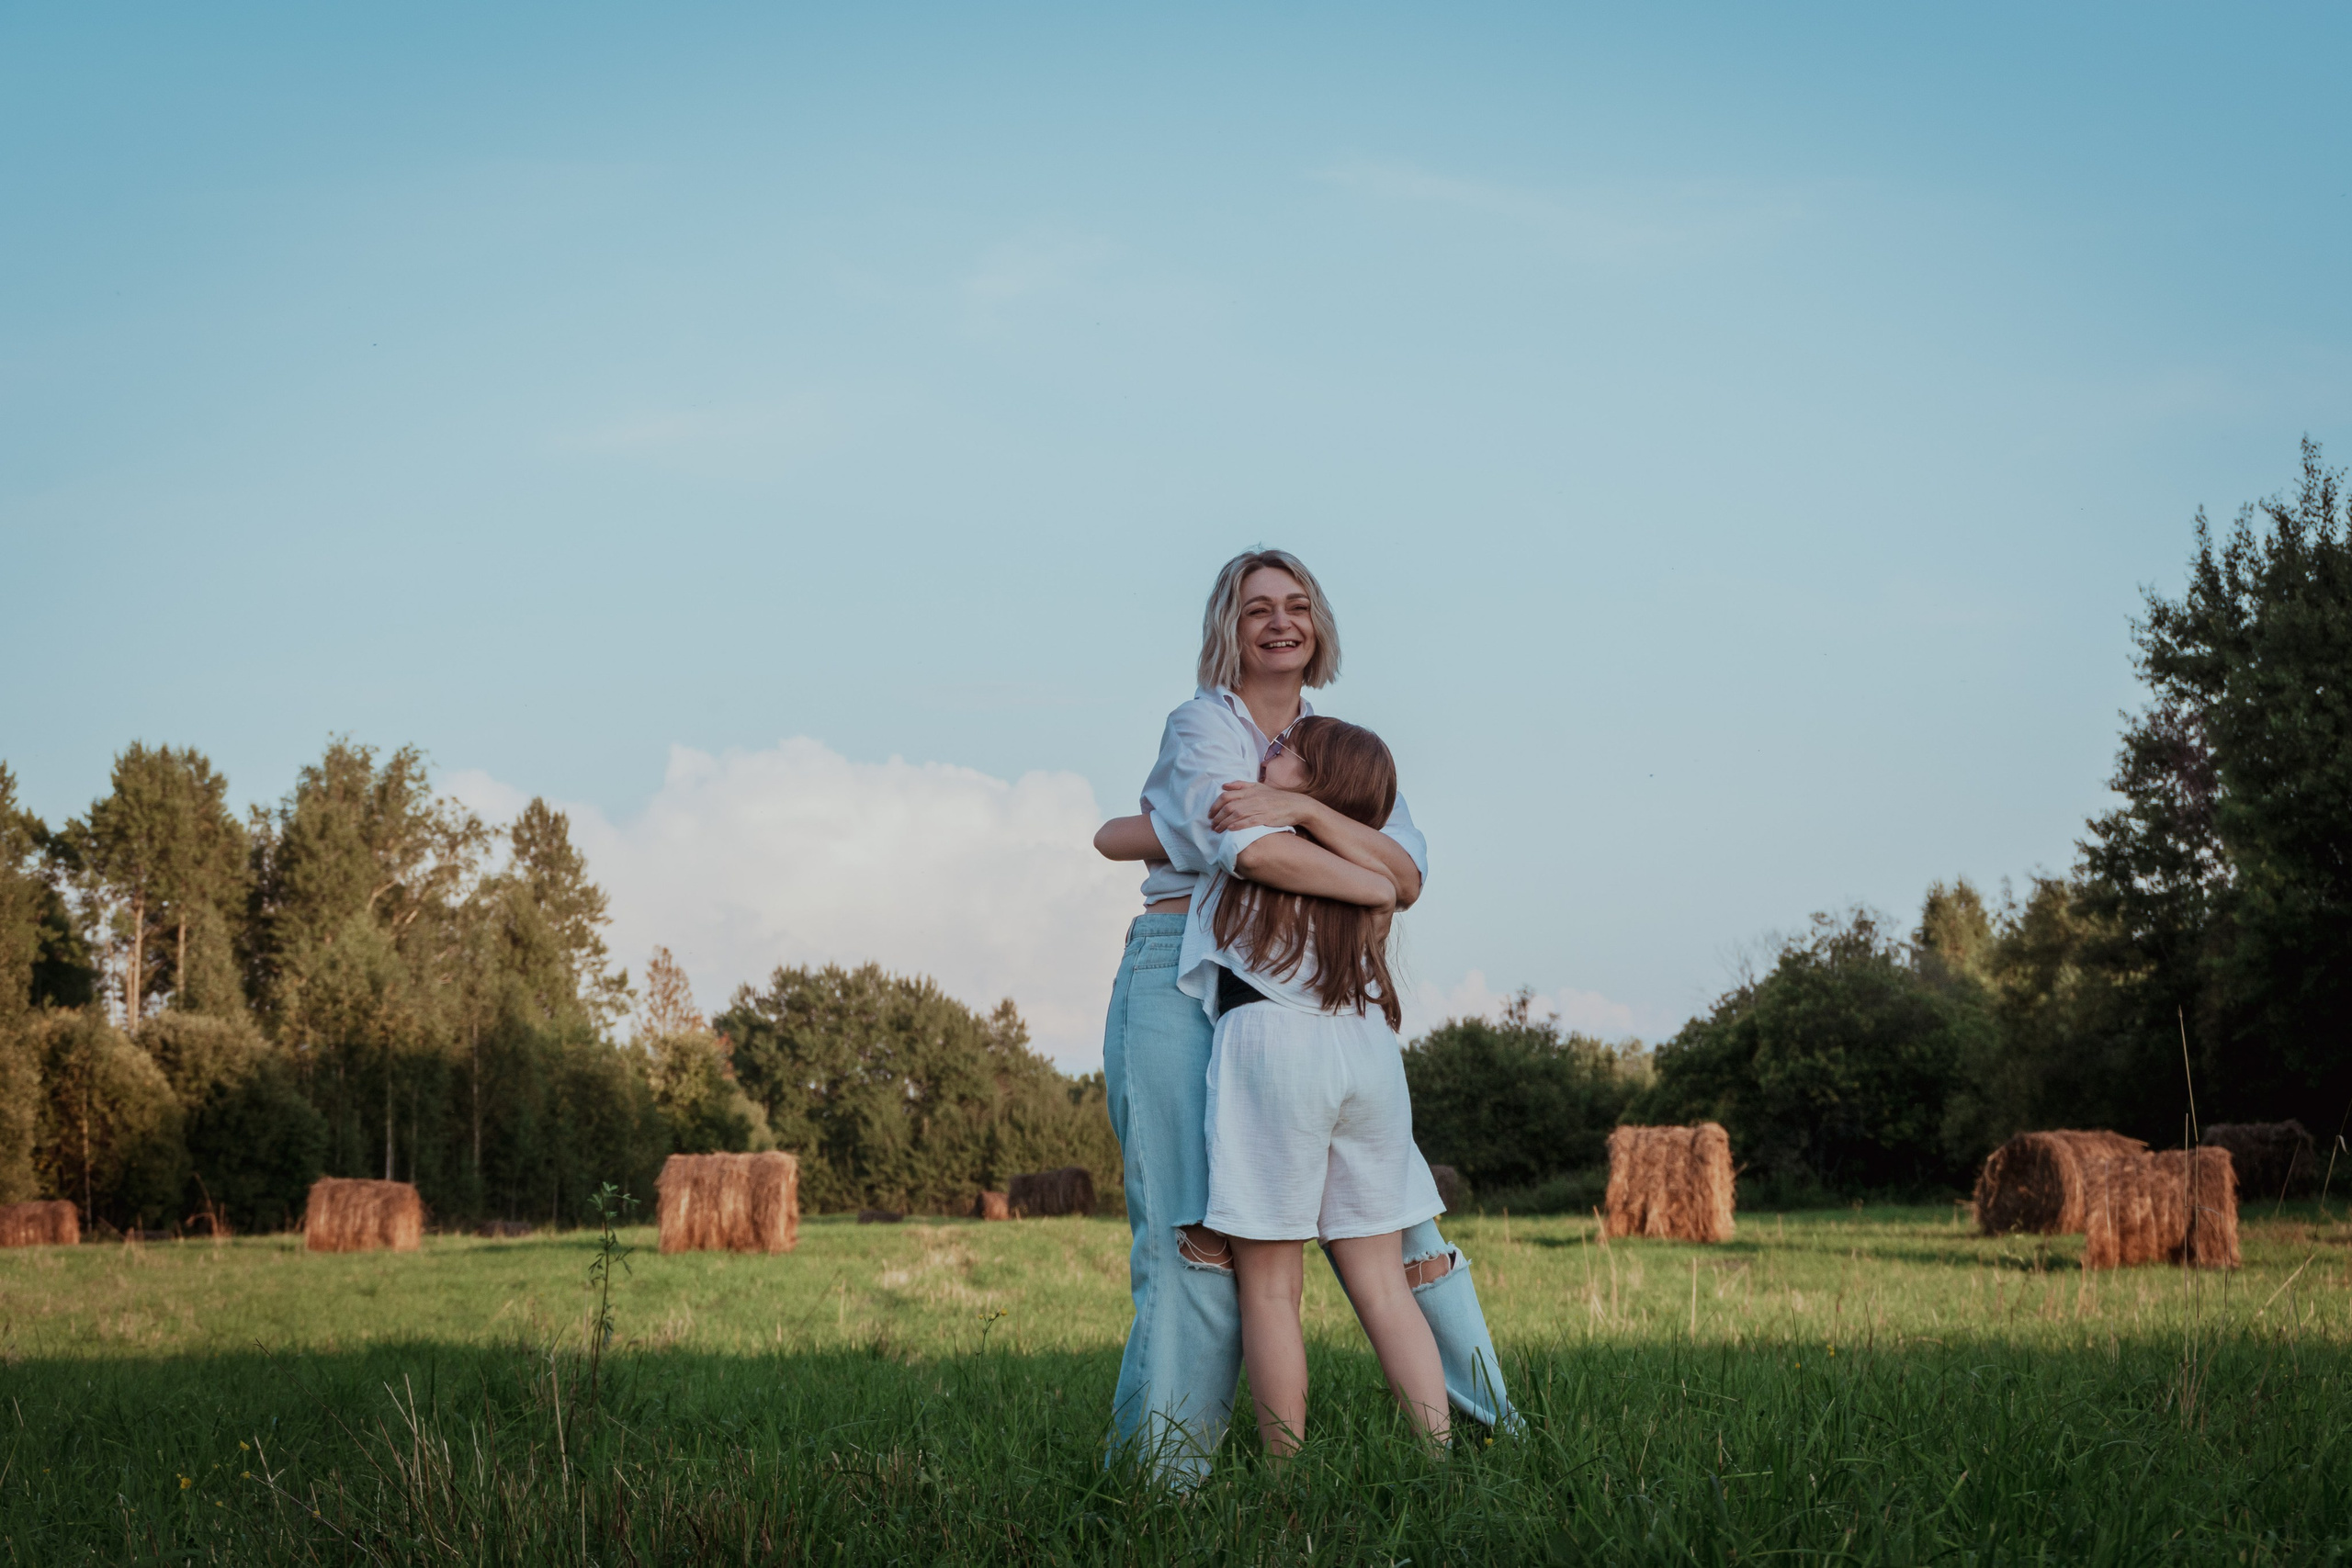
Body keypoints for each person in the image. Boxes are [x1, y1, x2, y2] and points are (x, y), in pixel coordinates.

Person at [1092, 548, 1512, 1480]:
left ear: (1318, 623)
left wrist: (1294, 813)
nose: (1280, 622)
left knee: (1408, 1238)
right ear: (1227, 629)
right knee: (1197, 1233)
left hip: (1307, 998)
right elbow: (1259, 849)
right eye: (1256, 610)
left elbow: (1412, 868)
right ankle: (1171, 1478)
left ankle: (1490, 1435)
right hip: (1184, 973)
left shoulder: (1340, 741)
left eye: (1297, 606)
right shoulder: (1203, 722)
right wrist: (1362, 866)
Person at [1104, 716, 1450, 1457]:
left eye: (1286, 751)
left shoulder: (1244, 823)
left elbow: (1110, 837)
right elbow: (1397, 883)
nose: (1268, 749)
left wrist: (1269, 808)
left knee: (1270, 1290)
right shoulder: (1360, 859)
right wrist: (1345, 849)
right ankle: (1443, 1460)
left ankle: (1287, 1479)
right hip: (1368, 1055)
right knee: (1384, 1285)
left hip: (1273, 1042)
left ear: (1317, 781)